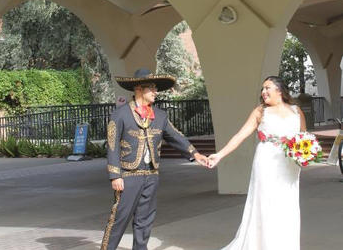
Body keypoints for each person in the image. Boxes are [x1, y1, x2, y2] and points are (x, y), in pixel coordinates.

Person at [100, 68, 208, 250]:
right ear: (139, 89)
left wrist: (195, 154)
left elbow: (175, 136)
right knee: (120, 218)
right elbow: (112, 145)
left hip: (152, 174)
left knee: (145, 220)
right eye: (152, 88)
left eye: (155, 88)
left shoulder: (160, 116)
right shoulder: (120, 114)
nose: (155, 92)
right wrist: (115, 174)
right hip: (128, 175)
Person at [208, 76, 306, 250]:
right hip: (267, 162)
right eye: (262, 89)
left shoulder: (296, 111)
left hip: (290, 165)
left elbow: (305, 137)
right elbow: (240, 136)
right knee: (266, 204)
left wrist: (306, 155)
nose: (263, 92)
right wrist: (219, 155)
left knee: (286, 206)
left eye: (267, 88)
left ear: (280, 90)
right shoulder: (260, 111)